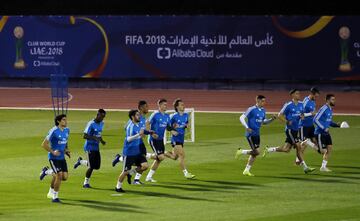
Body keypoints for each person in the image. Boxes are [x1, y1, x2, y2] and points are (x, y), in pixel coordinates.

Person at [263, 89, 315, 174]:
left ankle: (269, 149)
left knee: (286, 149)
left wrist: (303, 116)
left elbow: (301, 114)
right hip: (290, 130)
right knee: (298, 146)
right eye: (297, 93)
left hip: (296, 129)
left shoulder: (301, 104)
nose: (299, 95)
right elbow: (280, 115)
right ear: (293, 95)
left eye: (299, 93)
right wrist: (287, 121)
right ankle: (305, 167)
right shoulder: (288, 105)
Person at [112, 101, 156, 184]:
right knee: (138, 161)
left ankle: (133, 177)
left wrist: (149, 132)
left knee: (143, 164)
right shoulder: (135, 118)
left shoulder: (144, 119)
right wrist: (136, 135)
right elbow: (127, 128)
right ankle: (123, 162)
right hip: (134, 144)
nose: (148, 108)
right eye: (146, 106)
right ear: (141, 108)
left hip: (140, 143)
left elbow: (143, 131)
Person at [235, 95, 276, 176]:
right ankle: (241, 152)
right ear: (258, 101)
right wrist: (247, 127)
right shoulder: (251, 109)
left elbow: (264, 122)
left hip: (257, 134)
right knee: (257, 152)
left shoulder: (263, 110)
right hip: (250, 134)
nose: (264, 102)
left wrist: (272, 119)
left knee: (255, 154)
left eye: (264, 101)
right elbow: (241, 117)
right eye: (263, 101)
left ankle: (246, 170)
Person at [115, 110, 150, 192]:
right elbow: (128, 139)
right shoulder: (130, 126)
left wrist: (150, 132)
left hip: (137, 152)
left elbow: (143, 131)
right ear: (132, 117)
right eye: (137, 115)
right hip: (129, 153)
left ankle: (130, 173)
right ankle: (118, 187)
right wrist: (139, 135)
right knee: (124, 171)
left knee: (145, 166)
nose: (139, 116)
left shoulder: (138, 124)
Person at [39, 114, 70, 203]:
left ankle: (46, 171)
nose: (66, 121)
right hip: (53, 158)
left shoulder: (67, 130)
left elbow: (65, 142)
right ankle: (55, 197)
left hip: (62, 157)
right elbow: (44, 144)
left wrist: (66, 150)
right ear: (58, 121)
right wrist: (53, 152)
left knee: (64, 177)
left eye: (66, 120)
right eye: (64, 120)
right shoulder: (53, 131)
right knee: (59, 176)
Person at [145, 98, 177, 183]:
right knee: (161, 157)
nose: (166, 106)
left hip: (161, 139)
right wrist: (151, 133)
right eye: (164, 105)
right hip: (153, 139)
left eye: (166, 105)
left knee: (159, 159)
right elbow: (147, 123)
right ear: (159, 105)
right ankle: (145, 155)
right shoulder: (155, 114)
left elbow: (168, 126)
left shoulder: (167, 116)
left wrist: (173, 129)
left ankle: (149, 177)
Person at [73, 109, 106, 188]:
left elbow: (99, 134)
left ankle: (80, 162)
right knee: (91, 166)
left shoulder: (102, 123)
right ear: (97, 115)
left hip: (96, 147)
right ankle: (85, 183)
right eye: (101, 116)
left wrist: (101, 141)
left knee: (97, 166)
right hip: (89, 147)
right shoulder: (91, 124)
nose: (102, 118)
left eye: (104, 117)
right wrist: (94, 138)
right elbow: (84, 135)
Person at [164, 98, 196, 179]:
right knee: (182, 155)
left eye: (183, 104)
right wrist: (172, 130)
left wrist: (186, 125)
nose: (183, 106)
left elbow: (186, 123)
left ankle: (161, 153)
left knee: (175, 157)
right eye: (181, 105)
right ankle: (186, 173)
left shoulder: (186, 115)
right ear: (177, 107)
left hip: (181, 139)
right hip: (175, 139)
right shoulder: (173, 116)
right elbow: (167, 126)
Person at [314, 94, 340, 172]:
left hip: (326, 133)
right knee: (323, 151)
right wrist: (323, 128)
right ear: (328, 100)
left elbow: (329, 121)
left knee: (329, 149)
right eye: (332, 99)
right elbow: (315, 119)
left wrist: (336, 125)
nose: (334, 101)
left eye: (334, 99)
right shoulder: (324, 108)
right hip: (319, 133)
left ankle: (323, 167)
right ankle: (309, 143)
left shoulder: (330, 109)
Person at [296, 87, 321, 164]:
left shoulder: (313, 101)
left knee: (314, 140)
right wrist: (311, 114)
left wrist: (314, 115)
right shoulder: (305, 102)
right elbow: (301, 115)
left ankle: (320, 151)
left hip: (310, 125)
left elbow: (312, 113)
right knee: (304, 144)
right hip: (303, 126)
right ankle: (298, 159)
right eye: (316, 96)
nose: (317, 97)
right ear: (312, 94)